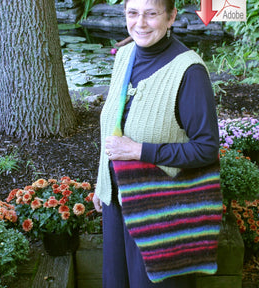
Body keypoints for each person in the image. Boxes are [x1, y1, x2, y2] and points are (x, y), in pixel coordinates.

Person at [93, 0, 220, 287]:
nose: (140, 23)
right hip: (119, 203)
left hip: (160, 212)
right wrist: (102, 183)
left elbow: (207, 148)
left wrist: (140, 150)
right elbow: (114, 125)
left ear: (171, 16)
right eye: (133, 13)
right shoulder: (124, 56)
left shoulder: (189, 72)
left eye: (151, 14)